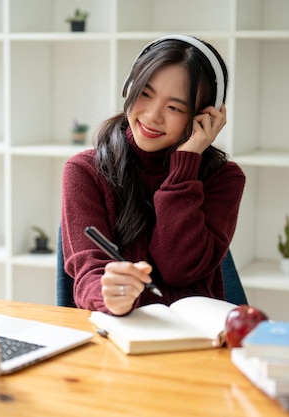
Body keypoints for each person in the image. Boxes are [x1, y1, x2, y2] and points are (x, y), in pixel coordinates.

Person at [61, 34, 245, 316]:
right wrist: (109, 293)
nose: (152, 116)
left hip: (194, 342)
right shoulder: (85, 171)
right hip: (118, 334)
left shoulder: (224, 179)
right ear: (129, 88)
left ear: (205, 115)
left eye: (175, 107)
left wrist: (187, 162)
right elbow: (88, 271)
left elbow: (178, 269)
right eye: (145, 94)